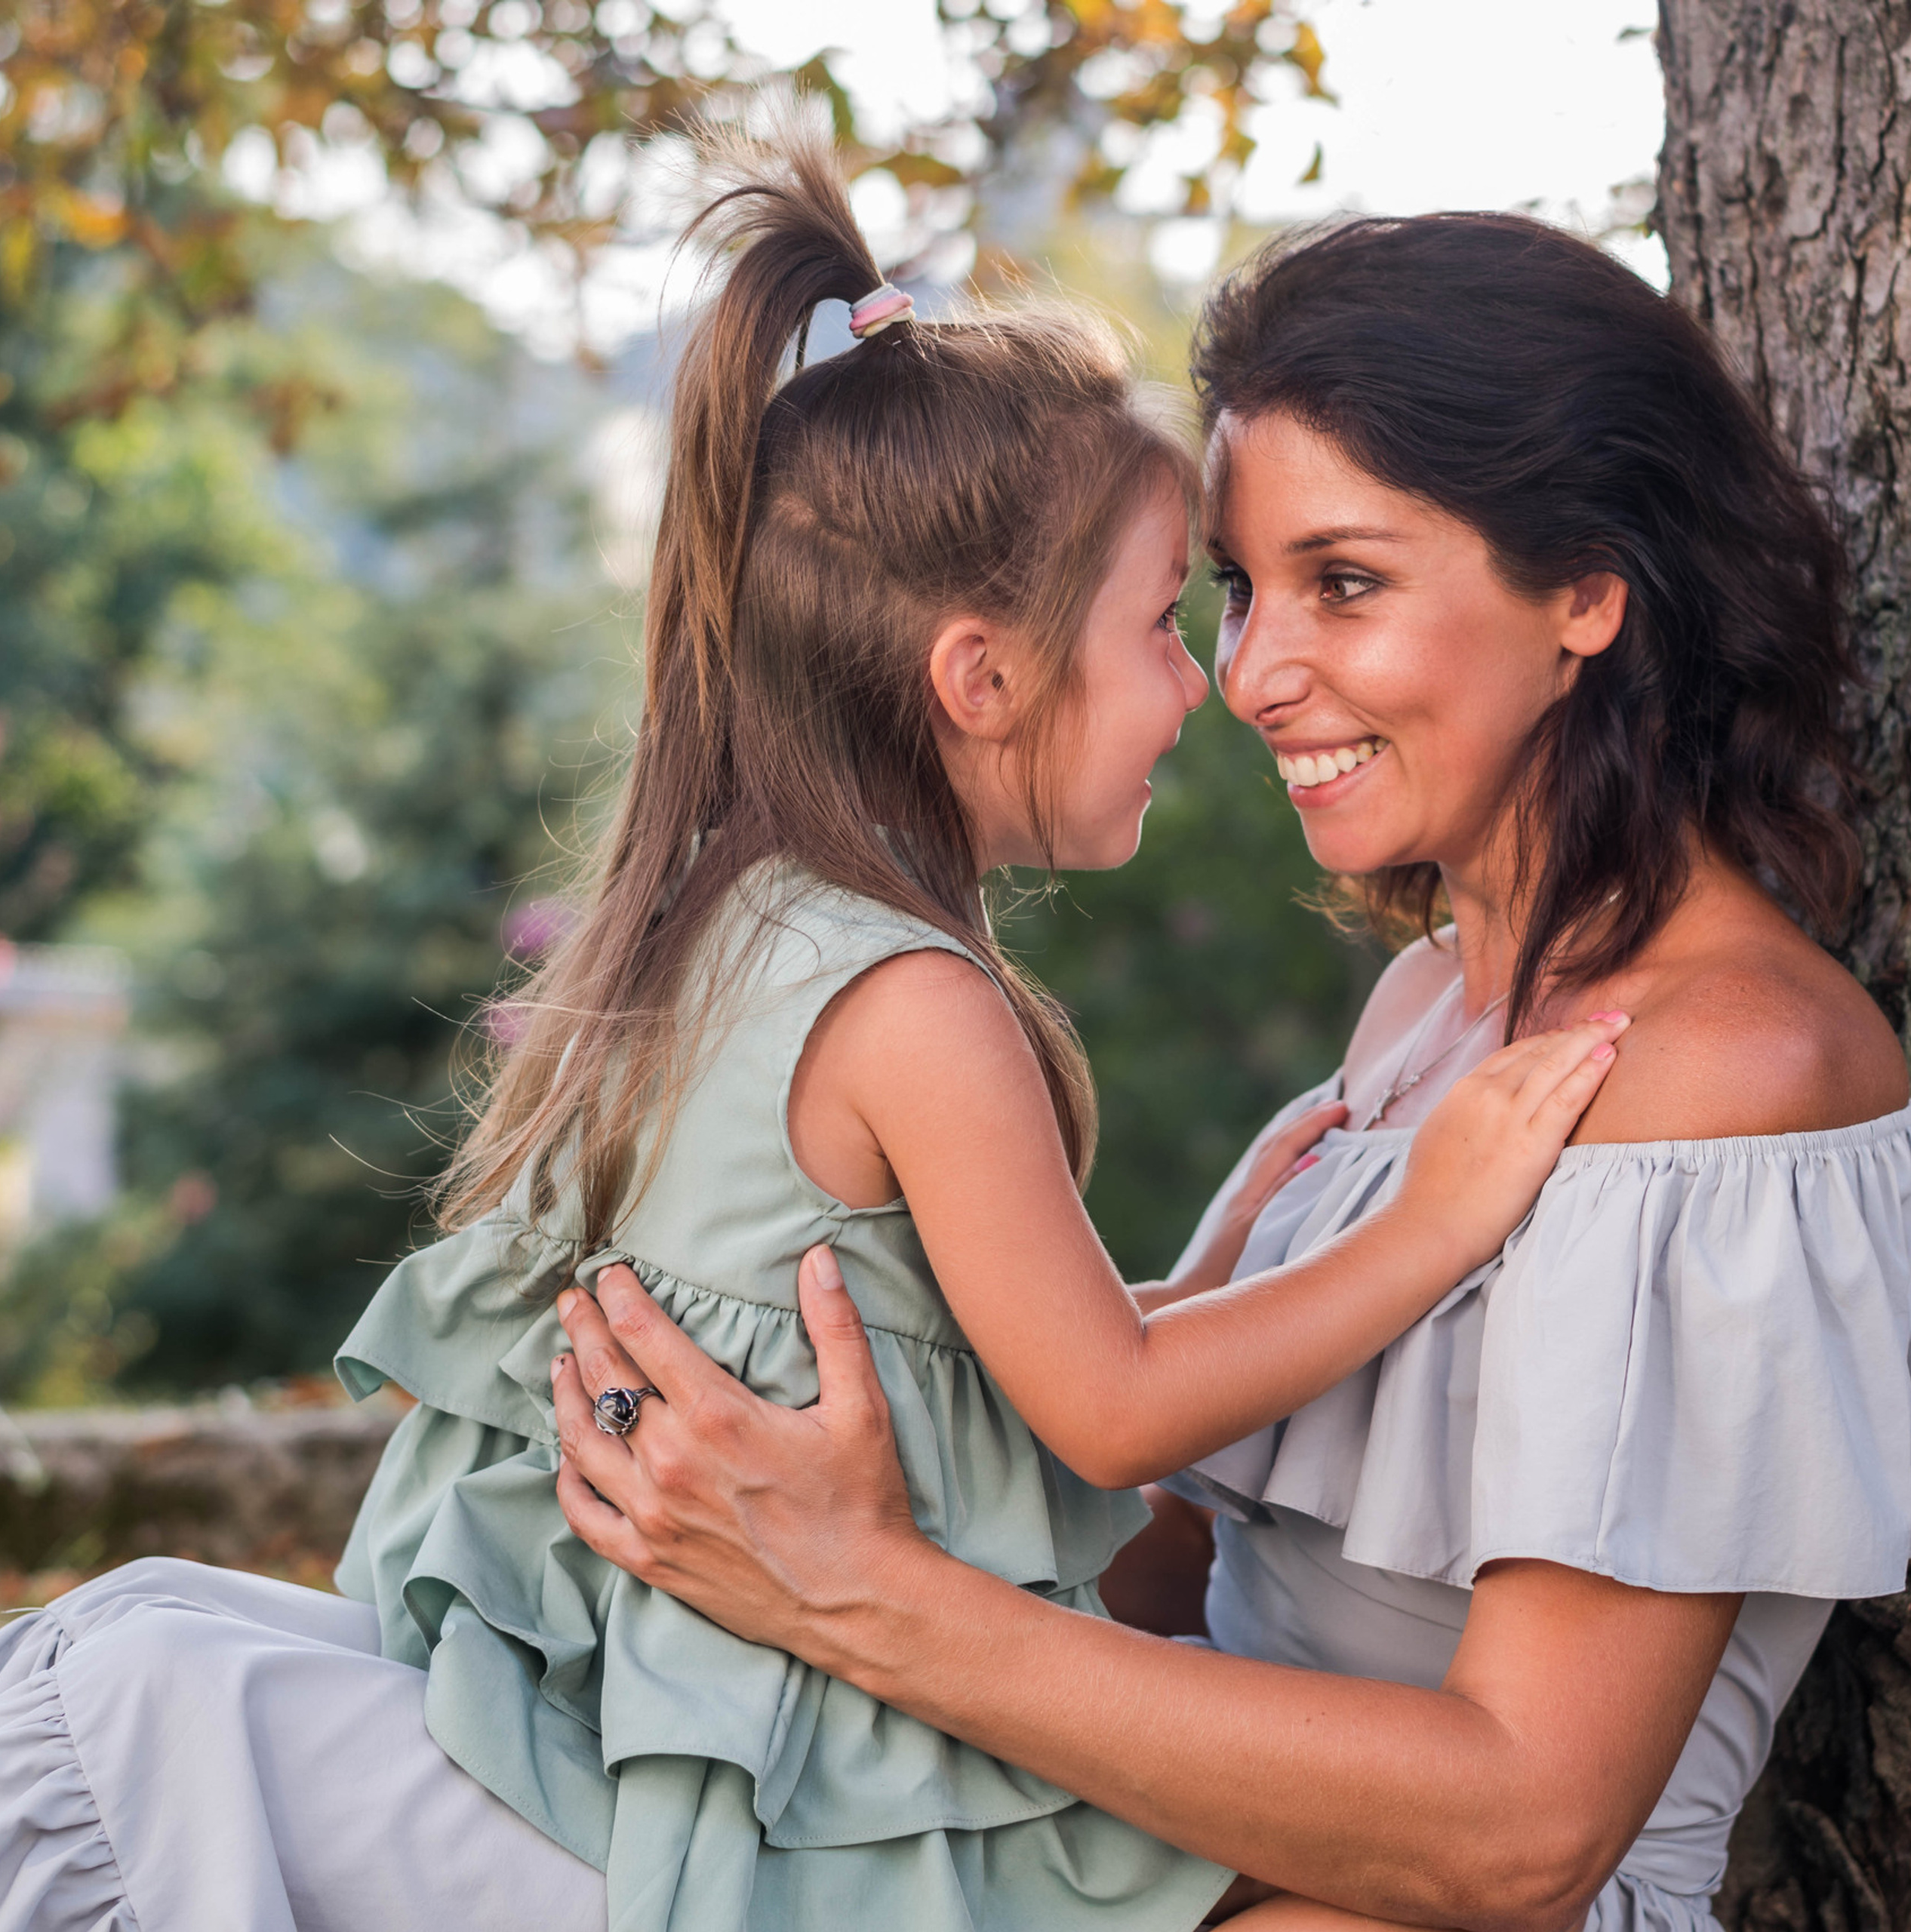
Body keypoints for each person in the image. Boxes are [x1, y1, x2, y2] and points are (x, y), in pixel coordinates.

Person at [0, 148, 1623, 1932]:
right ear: (981, 677)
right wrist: (1430, 1223)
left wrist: (1208, 1274)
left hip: (640, 1682)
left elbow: (941, 1360)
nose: (1206, 683)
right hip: (776, 1746)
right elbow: (1102, 1415)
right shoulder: (913, 1004)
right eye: (1163, 619)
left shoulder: (741, 916)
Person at [541, 213, 1911, 1932]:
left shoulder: (1723, 1071)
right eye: (1237, 590)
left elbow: (1518, 1830)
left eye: (1343, 581)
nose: (1253, 674)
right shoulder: (1421, 1009)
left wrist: (861, 1593)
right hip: (1171, 1864)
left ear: (1584, 589)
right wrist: (787, 1468)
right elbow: (1181, 1594)